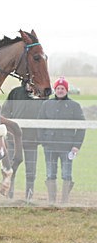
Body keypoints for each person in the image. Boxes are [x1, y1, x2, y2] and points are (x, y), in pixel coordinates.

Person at [39, 76, 85, 204]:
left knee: (66, 174)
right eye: (58, 88)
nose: (60, 90)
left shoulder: (75, 106)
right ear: (55, 90)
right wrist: (43, 141)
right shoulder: (46, 104)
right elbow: (40, 124)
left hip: (67, 146)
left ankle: (64, 202)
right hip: (49, 146)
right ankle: (51, 201)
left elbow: (81, 127)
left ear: (67, 90)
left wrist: (76, 146)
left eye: (62, 88)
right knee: (50, 174)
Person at [2, 80, 46, 201]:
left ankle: (29, 198)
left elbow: (46, 115)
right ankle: (8, 196)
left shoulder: (41, 96)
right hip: (13, 140)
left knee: (31, 172)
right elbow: (5, 111)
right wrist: (9, 129)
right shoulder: (15, 93)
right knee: (11, 168)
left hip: (32, 140)